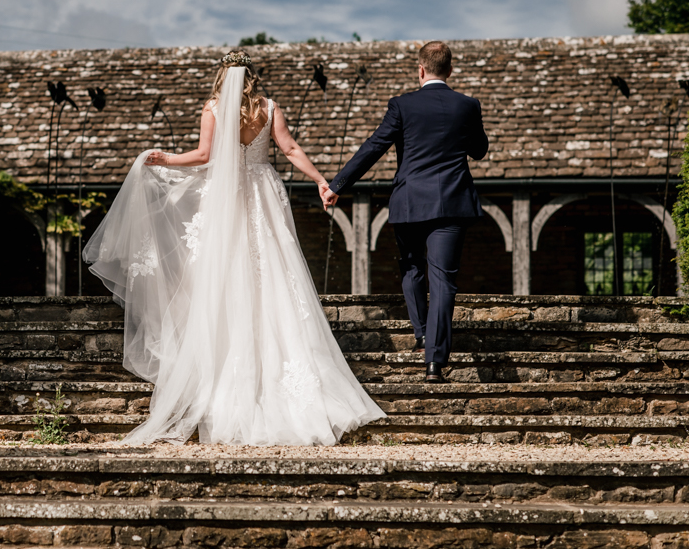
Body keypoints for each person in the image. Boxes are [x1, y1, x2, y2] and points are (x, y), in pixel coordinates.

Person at [83, 51, 385, 445]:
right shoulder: (270, 107)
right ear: (252, 78)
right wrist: (321, 181)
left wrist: (166, 159)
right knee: (274, 275)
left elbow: (205, 156)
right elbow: (290, 150)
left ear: (223, 77)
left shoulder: (213, 108)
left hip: (226, 197)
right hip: (262, 193)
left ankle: (225, 373)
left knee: (222, 277)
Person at [322, 41, 488, 384]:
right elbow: (480, 151)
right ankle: (434, 364)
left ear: (421, 69)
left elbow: (374, 147)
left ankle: (423, 333)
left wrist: (338, 184)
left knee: (411, 269)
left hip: (410, 201)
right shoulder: (468, 105)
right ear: (450, 70)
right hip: (452, 201)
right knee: (444, 282)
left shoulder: (403, 105)